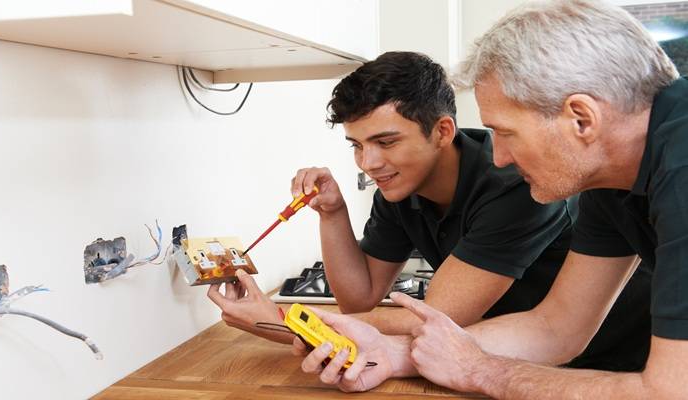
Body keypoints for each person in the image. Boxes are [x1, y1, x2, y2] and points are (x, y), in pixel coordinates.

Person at [297, 0, 688, 397]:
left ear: (581, 119)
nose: (498, 156)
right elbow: (557, 327)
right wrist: (398, 353)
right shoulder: (607, 177)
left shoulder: (682, 167)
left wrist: (481, 371)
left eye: (505, 132)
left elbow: (670, 391)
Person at [208, 51, 650, 372]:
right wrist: (333, 212)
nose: (368, 163)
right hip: (526, 352)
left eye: (385, 142)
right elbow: (359, 298)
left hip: (619, 357)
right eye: (357, 146)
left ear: (442, 131)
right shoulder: (400, 191)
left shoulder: (512, 185)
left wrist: (283, 321)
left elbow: (440, 318)